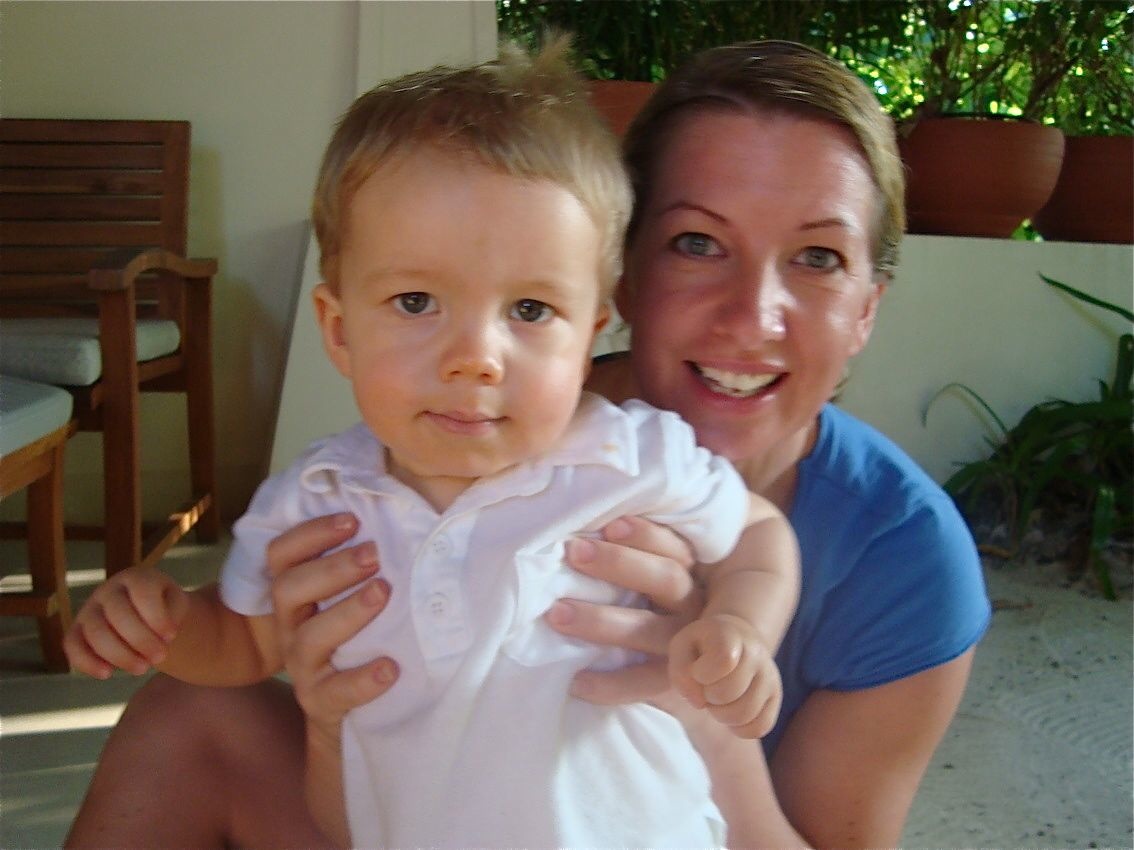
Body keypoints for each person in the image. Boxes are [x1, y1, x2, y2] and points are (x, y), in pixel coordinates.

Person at [63, 39, 991, 850]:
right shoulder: (341, 485)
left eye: (819, 257)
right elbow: (239, 642)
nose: (753, 315)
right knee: (180, 716)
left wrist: (714, 692)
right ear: (627, 282)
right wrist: (244, 672)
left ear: (868, 307)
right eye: (698, 242)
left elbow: (754, 539)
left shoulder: (658, 470)